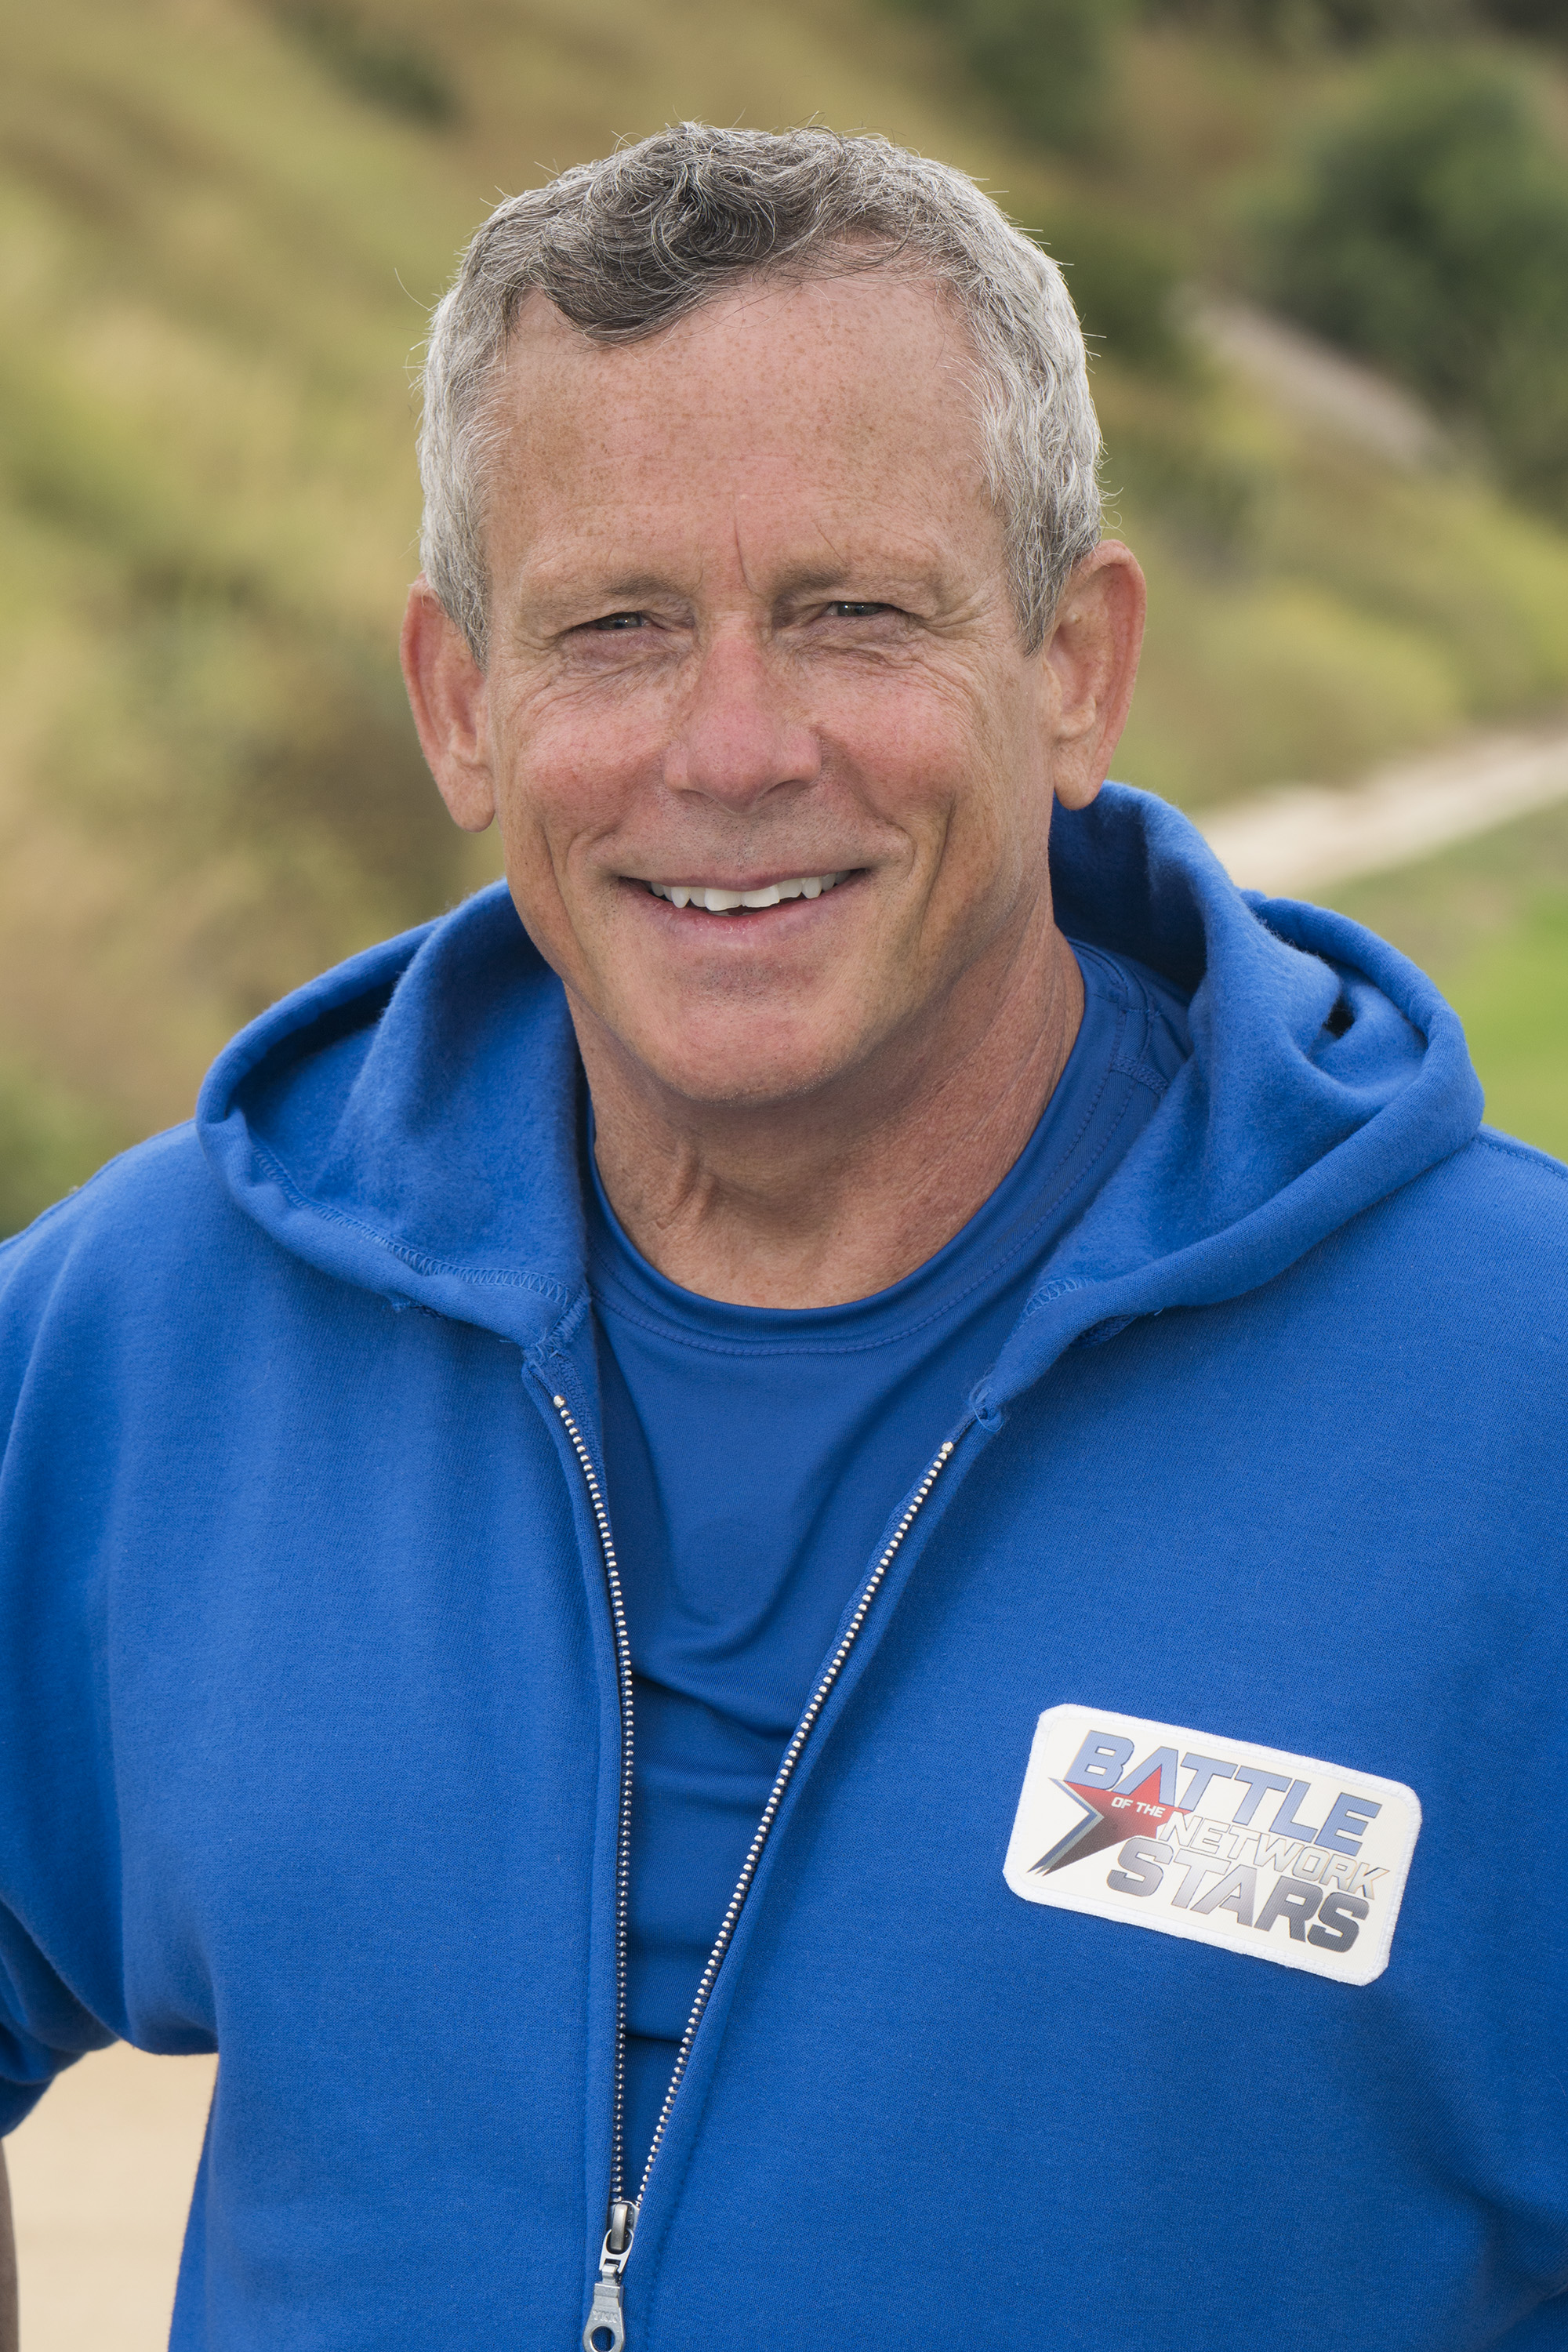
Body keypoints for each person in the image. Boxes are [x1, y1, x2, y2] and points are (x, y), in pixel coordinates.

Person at [2, 122, 1565, 2352]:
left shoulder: (1519, 1414)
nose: (731, 749)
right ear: (461, 703)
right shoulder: (162, 1335)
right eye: (616, 627)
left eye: (854, 614)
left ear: (1074, 668)